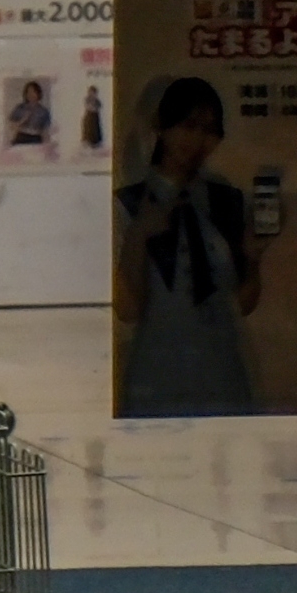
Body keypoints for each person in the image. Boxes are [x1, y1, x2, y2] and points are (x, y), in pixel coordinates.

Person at [118, 74, 258, 415]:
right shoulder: (128, 204)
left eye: (209, 130)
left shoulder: (227, 201)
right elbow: (128, 310)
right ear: (161, 126)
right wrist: (139, 236)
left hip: (222, 367)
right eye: (187, 125)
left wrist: (255, 257)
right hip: (157, 370)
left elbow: (244, 302)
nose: (197, 140)